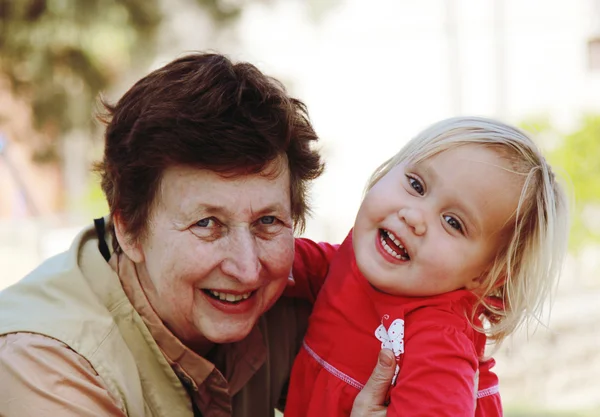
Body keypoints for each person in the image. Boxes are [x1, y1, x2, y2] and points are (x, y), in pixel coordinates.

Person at [0, 52, 394, 417]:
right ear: (129, 230)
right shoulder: (45, 366)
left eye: (268, 222)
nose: (246, 269)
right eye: (207, 224)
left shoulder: (294, 300)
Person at [284, 116, 570, 416]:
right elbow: (302, 264)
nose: (414, 217)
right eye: (416, 185)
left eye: (452, 222)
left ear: (484, 276)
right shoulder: (357, 259)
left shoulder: (440, 342)